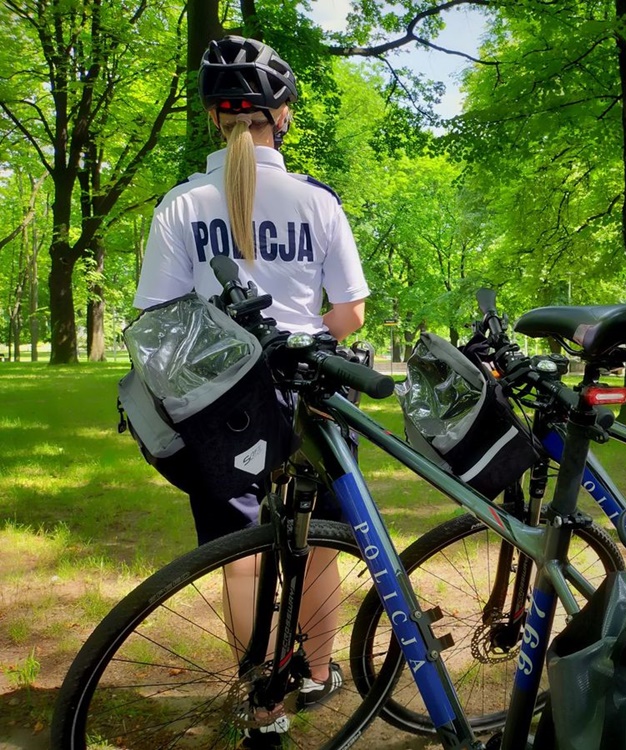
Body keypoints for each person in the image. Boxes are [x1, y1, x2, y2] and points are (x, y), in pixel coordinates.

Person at [133, 35, 369, 741]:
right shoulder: (317, 201)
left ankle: (262, 702)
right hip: (312, 392)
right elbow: (350, 314)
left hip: (221, 404)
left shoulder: (180, 205)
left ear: (215, 117)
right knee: (319, 540)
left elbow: (158, 318)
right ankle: (317, 673)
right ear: (283, 115)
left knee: (241, 552)